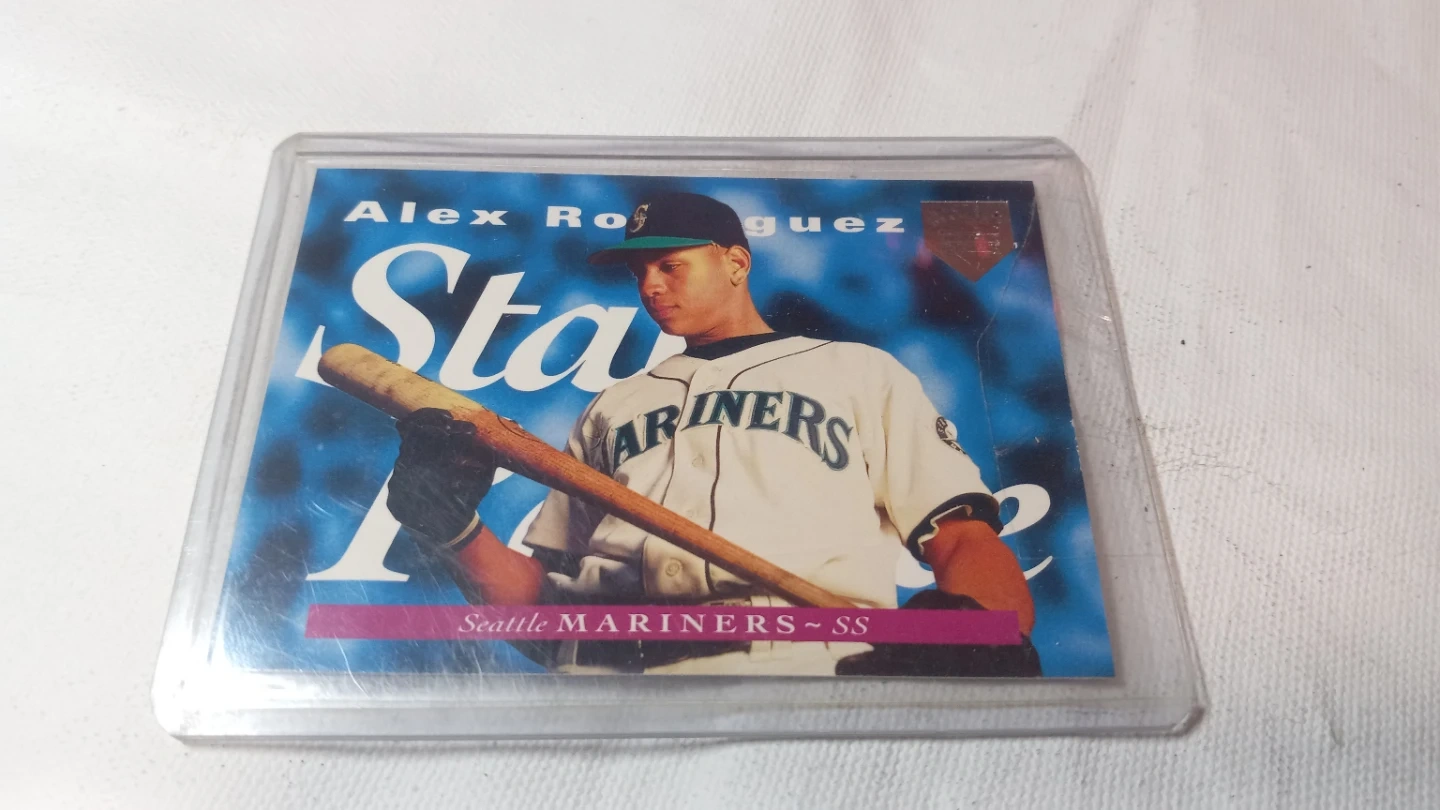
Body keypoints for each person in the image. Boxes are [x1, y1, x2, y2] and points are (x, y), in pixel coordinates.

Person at [387, 192, 1040, 676]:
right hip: (605, 682)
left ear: (735, 262)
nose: (650, 285)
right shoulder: (611, 407)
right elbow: (546, 616)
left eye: (670, 265)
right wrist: (451, 528)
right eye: (639, 272)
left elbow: (962, 538)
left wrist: (984, 634)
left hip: (805, 670)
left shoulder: (858, 372)